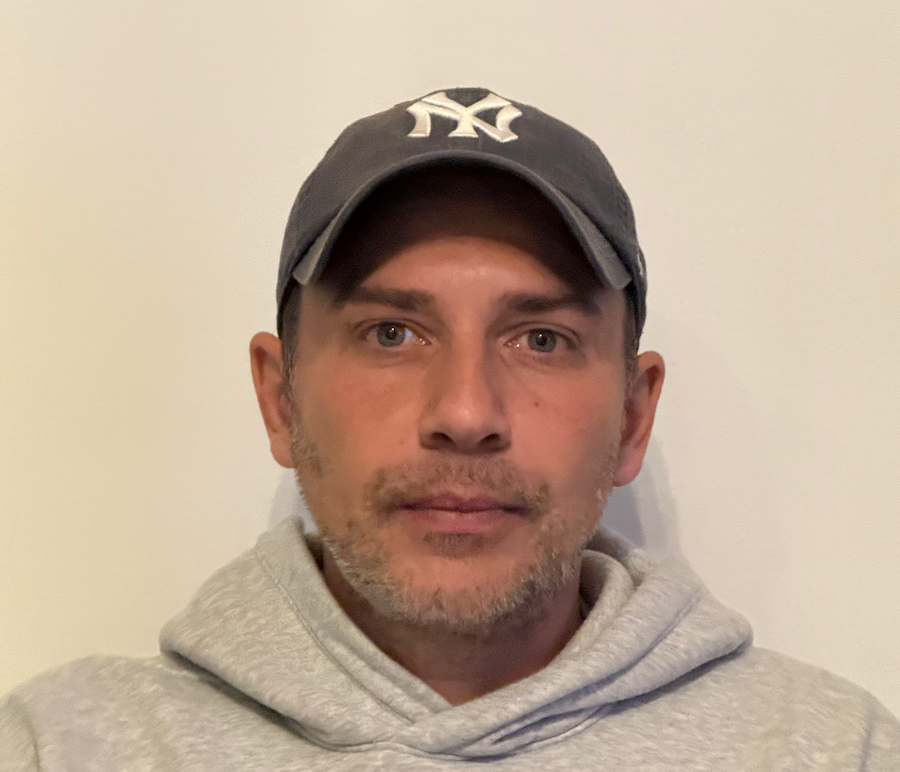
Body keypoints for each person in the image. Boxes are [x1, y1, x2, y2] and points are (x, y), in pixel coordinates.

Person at [1, 87, 897, 770]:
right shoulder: (62, 746)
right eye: (392, 333)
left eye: (540, 339)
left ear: (633, 416)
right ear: (281, 399)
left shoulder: (831, 750)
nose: (466, 414)